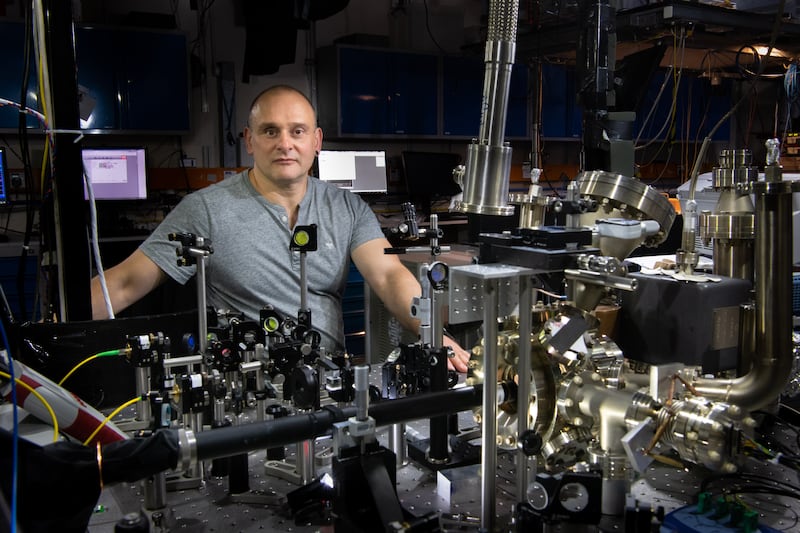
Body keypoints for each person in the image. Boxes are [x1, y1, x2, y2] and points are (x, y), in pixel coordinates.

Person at [90, 84, 470, 372]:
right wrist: (48, 333)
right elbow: (124, 284)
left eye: (298, 131)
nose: (285, 144)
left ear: (316, 141)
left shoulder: (346, 208)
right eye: (270, 131)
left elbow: (388, 276)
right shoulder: (205, 210)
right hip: (244, 384)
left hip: (328, 379)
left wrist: (433, 334)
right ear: (249, 141)